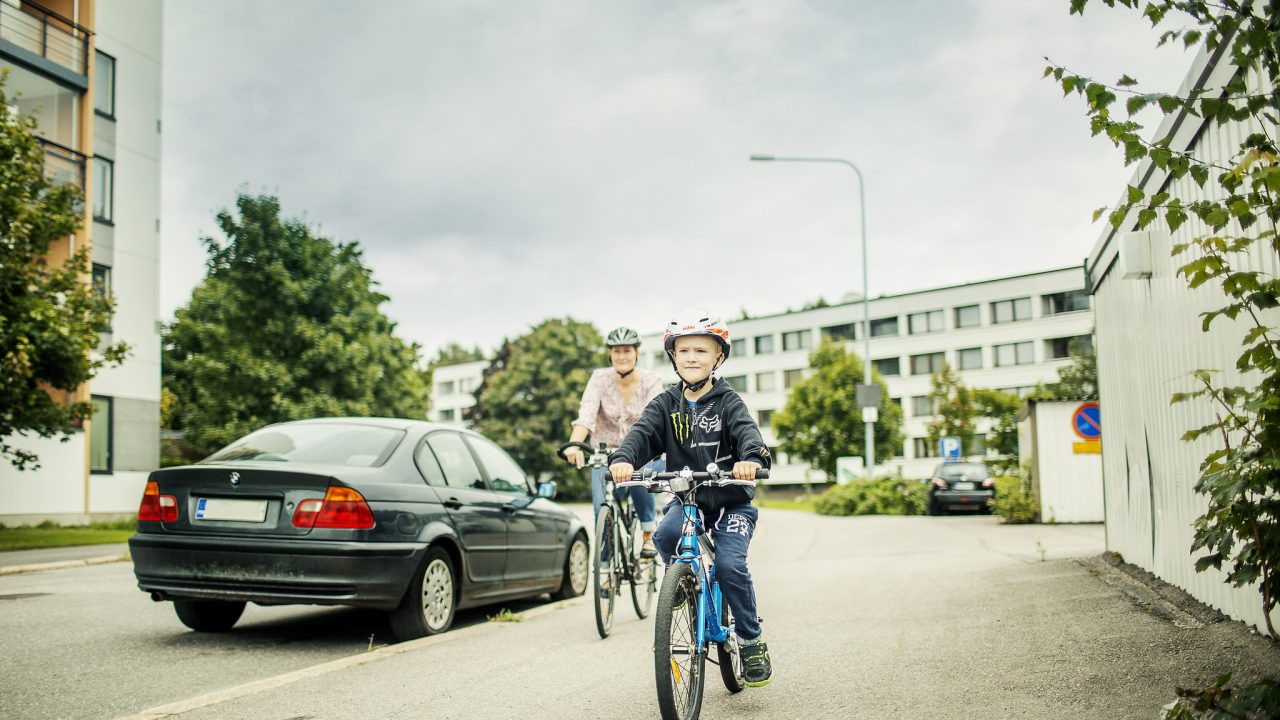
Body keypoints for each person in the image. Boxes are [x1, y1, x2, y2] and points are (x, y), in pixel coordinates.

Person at [608, 310, 774, 687]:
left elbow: (748, 433)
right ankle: (683, 582)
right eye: (684, 351)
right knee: (666, 536)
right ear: (674, 357)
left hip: (732, 502)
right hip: (689, 500)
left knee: (730, 567)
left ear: (718, 357)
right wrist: (622, 459)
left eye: (701, 350)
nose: (692, 358)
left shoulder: (728, 401)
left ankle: (750, 639)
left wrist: (751, 459)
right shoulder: (666, 403)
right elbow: (642, 433)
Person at [563, 326, 664, 558]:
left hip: (640, 452)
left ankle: (648, 535)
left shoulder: (650, 380)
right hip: (603, 453)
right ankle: (606, 567)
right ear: (610, 354)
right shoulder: (599, 378)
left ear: (637, 352)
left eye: (627, 350)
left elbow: (655, 419)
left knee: (640, 476)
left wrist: (648, 448)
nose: (621, 356)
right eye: (616, 351)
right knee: (601, 509)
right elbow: (586, 414)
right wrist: (575, 444)